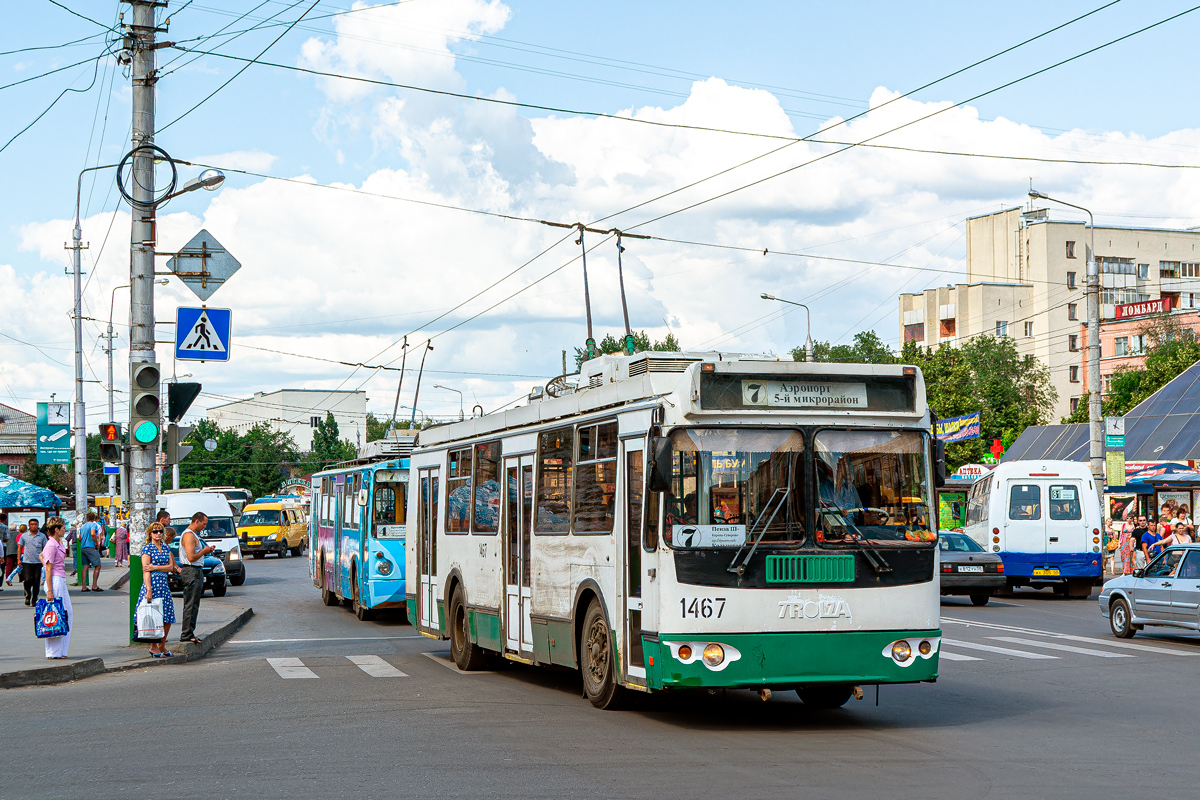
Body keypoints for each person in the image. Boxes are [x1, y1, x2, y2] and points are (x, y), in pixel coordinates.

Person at [136, 523, 179, 657]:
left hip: (164, 585)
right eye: (155, 532)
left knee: (168, 616)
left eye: (160, 531)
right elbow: (146, 570)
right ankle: (153, 646)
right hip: (153, 585)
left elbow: (171, 567)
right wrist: (149, 589)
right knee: (154, 616)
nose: (158, 534)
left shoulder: (165, 548)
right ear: (150, 534)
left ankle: (162, 645)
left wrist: (155, 567)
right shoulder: (147, 549)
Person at [177, 512, 214, 646]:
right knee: (191, 604)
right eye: (204, 524)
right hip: (191, 570)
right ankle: (186, 634)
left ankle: (189, 632)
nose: (204, 527)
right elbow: (191, 557)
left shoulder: (193, 535)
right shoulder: (189, 535)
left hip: (195, 570)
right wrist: (204, 551)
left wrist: (206, 551)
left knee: (194, 604)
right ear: (196, 521)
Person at [39, 517, 71, 659]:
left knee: (65, 614)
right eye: (63, 527)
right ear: (56, 530)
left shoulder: (57, 543)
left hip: (60, 579)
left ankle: (61, 650)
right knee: (55, 615)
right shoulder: (51, 545)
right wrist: (50, 591)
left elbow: (43, 557)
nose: (65, 529)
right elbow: (48, 569)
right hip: (55, 580)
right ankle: (54, 652)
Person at [18, 519, 48, 606]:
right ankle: (28, 595)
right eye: (32, 524)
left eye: (35, 524)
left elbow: (45, 548)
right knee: (27, 580)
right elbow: (20, 547)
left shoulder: (42, 536)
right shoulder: (24, 536)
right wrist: (19, 559)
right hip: (27, 561)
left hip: (38, 562)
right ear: (29, 525)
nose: (34, 526)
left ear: (38, 525)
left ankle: (34, 599)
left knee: (36, 581)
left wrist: (45, 560)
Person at [78, 512, 105, 592]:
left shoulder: (82, 526)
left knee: (85, 567)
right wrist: (96, 543)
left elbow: (79, 538)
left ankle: (83, 586)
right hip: (91, 547)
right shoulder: (93, 525)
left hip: (83, 548)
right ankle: (94, 585)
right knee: (98, 565)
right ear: (94, 518)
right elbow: (93, 534)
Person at [0, 512, 10, 591]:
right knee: (2, 566)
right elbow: (6, 538)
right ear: (5, 519)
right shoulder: (4, 527)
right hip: (2, 546)